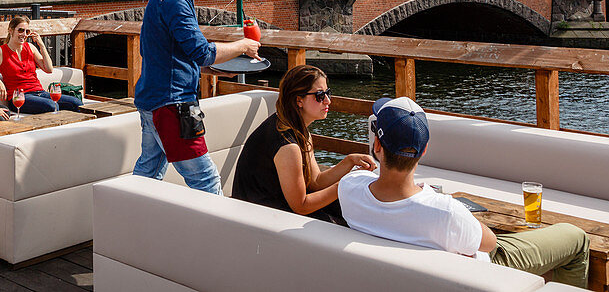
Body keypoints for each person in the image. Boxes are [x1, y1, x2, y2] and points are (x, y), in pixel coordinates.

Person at [338, 97, 589, 288]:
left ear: (377, 145)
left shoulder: (349, 187)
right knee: (576, 238)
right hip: (483, 268)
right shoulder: (445, 211)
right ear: (424, 151)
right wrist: (449, 206)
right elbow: (490, 243)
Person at [133, 0, 260, 194]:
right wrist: (243, 46)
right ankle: (218, 234)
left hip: (152, 99)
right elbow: (201, 52)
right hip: (172, 104)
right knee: (206, 181)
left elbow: (169, 53)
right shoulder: (176, 0)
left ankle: (124, 226)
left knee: (147, 174)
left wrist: (209, 64)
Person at [232, 64, 375, 222]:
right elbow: (301, 206)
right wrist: (344, 186)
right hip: (258, 217)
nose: (328, 100)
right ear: (298, 100)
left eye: (328, 93)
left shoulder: (297, 128)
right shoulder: (287, 145)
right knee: (348, 218)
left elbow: (316, 182)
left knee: (350, 209)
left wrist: (349, 161)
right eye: (320, 95)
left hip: (275, 207)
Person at [0, 16, 83, 115]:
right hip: (19, 98)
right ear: (11, 30)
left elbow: (49, 69)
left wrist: (41, 45)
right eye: (21, 30)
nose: (24, 34)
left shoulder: (30, 47)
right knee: (52, 106)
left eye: (27, 31)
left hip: (40, 92)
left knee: (77, 103)